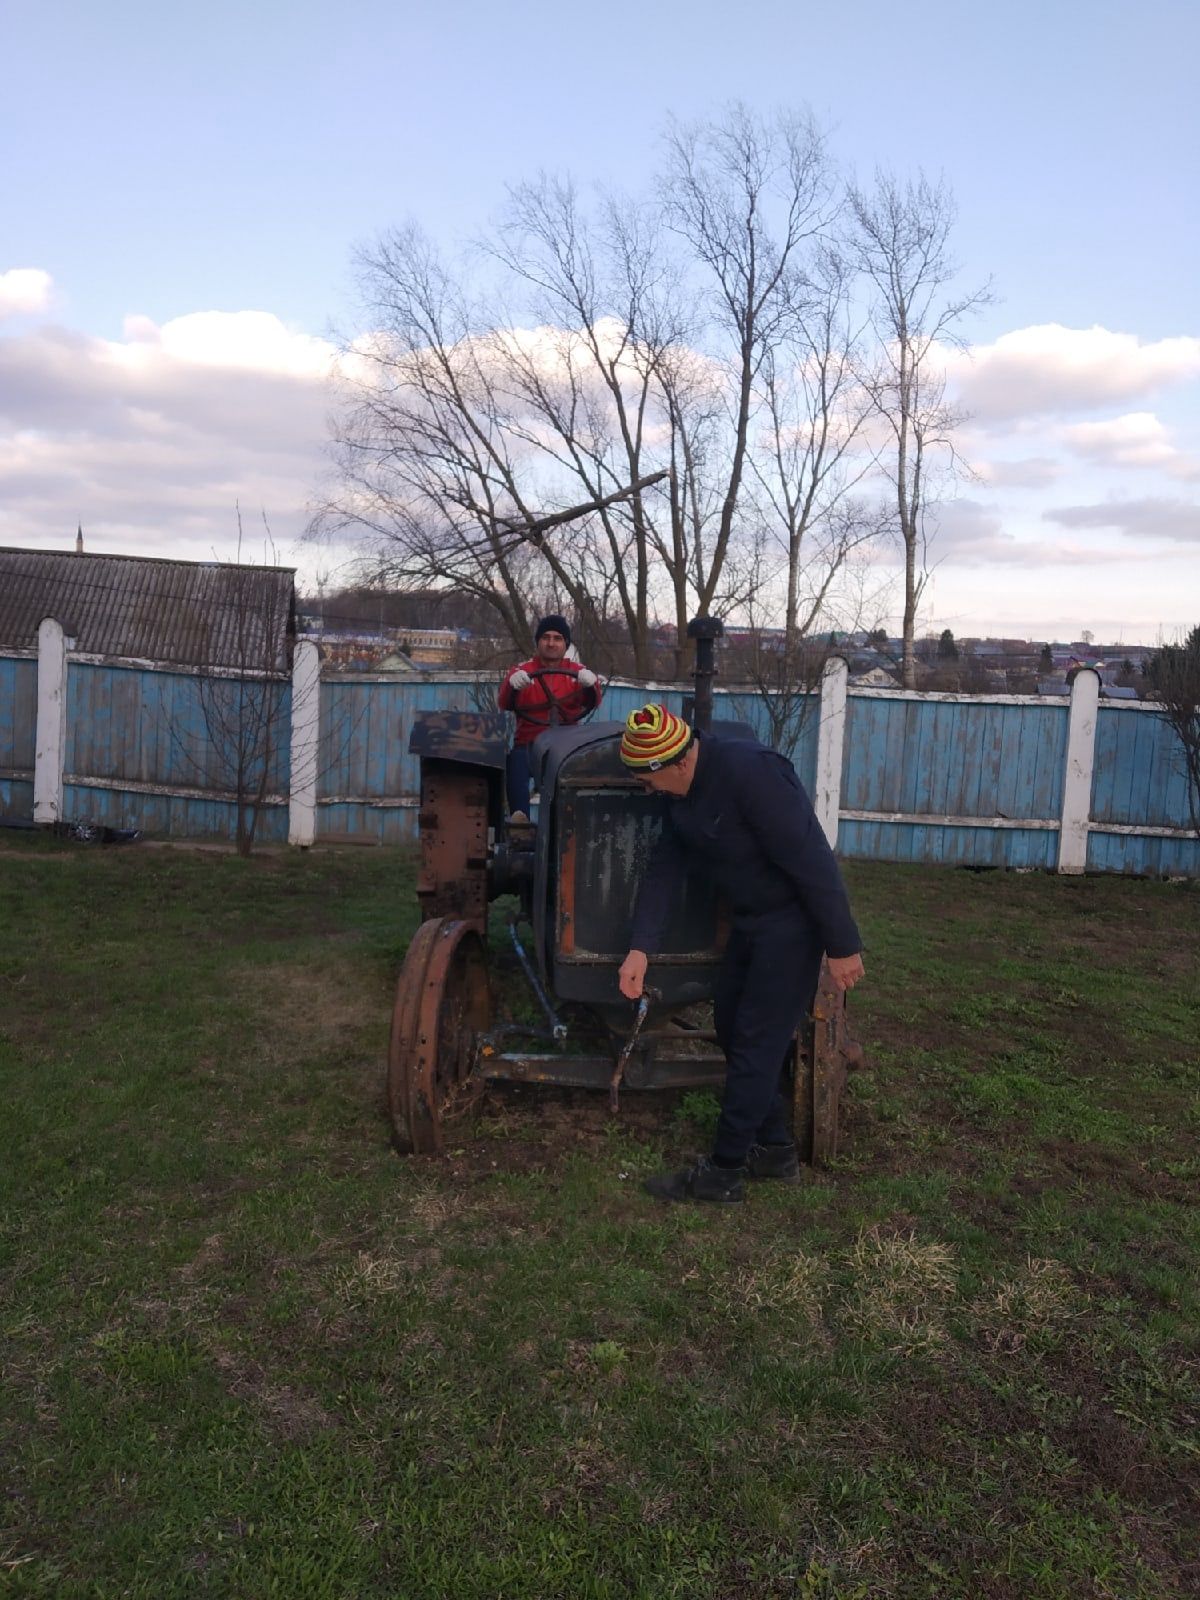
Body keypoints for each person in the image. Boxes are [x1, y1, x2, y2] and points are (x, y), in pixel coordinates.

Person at [616, 703, 865, 1204]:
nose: (646, 790)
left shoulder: (753, 773)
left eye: (648, 780)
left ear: (678, 762)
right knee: (732, 1027)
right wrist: (641, 947)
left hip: (791, 926)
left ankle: (723, 1173)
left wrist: (842, 946)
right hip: (751, 923)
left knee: (755, 1040)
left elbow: (811, 857)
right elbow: (667, 867)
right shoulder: (681, 793)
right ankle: (773, 1148)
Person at [497, 615, 602, 818]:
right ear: (538, 642)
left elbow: (593, 702)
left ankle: (567, 822)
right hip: (529, 744)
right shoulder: (522, 671)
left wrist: (591, 686)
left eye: (557, 638)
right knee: (515, 766)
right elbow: (504, 703)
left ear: (566, 644)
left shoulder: (577, 672)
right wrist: (512, 686)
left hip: (566, 745)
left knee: (577, 772)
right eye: (546, 637)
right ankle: (520, 821)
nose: (551, 643)